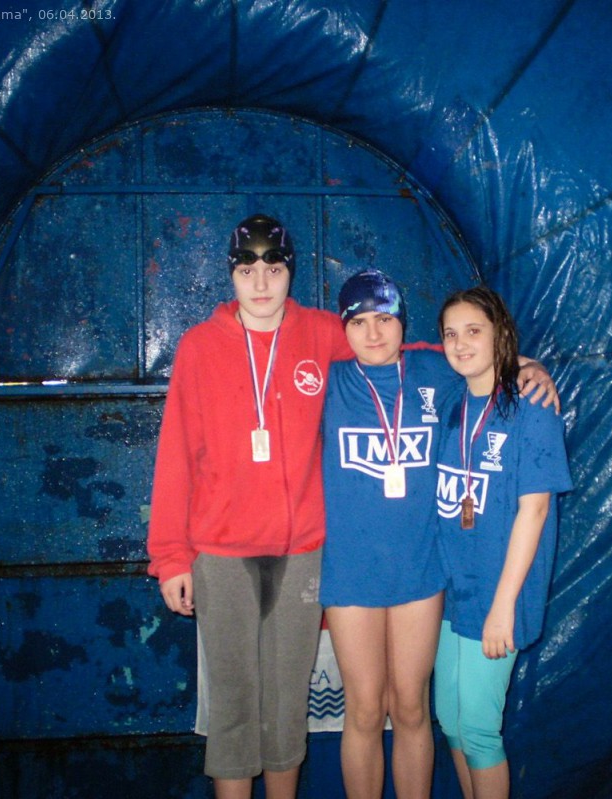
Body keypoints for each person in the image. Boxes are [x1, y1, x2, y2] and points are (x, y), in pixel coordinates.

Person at [320, 270, 560, 799]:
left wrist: (532, 367)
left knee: (412, 707)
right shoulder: (327, 380)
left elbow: (481, 356)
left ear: (403, 325)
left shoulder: (433, 371)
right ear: (344, 328)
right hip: (351, 573)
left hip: (422, 570)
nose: (373, 333)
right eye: (359, 322)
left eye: (385, 320)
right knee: (364, 710)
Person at [146, 214, 354, 799]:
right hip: (220, 553)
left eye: (274, 268)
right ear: (231, 275)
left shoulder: (321, 333)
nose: (260, 283)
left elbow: (391, 346)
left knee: (287, 706)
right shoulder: (199, 346)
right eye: (246, 270)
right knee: (234, 707)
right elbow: (176, 456)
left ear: (291, 272)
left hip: (300, 551)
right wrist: (171, 557)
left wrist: (501, 363)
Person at [432, 285, 573, 799]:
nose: (461, 343)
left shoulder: (532, 407)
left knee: (478, 729)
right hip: (452, 592)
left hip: (499, 593)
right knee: (450, 720)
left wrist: (503, 606)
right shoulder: (451, 402)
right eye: (451, 334)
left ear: (500, 334)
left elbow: (535, 511)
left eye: (474, 331)